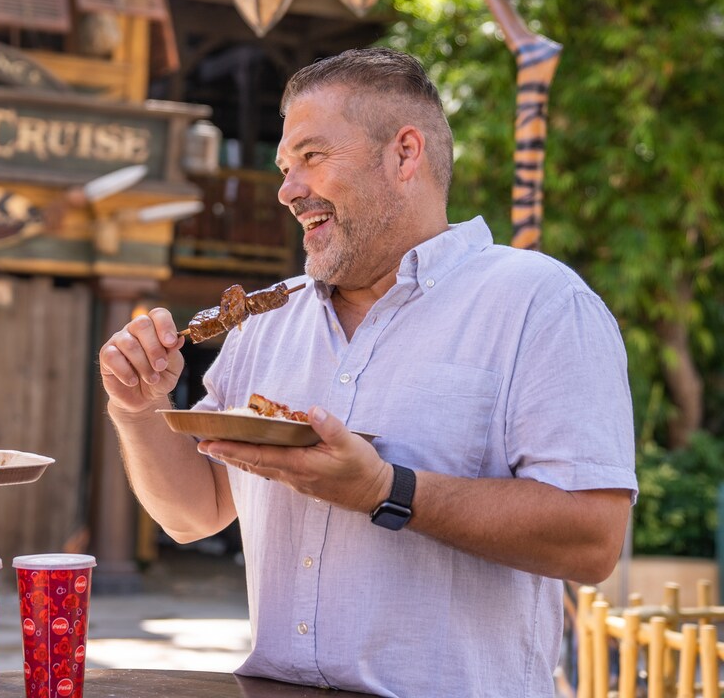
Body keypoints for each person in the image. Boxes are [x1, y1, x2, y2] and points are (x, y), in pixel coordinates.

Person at [98, 48, 636, 697]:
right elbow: (193, 514)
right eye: (284, 166)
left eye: (312, 157)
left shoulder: (541, 304)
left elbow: (592, 539)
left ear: (404, 155)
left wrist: (387, 489)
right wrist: (138, 409)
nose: (288, 189)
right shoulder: (267, 321)